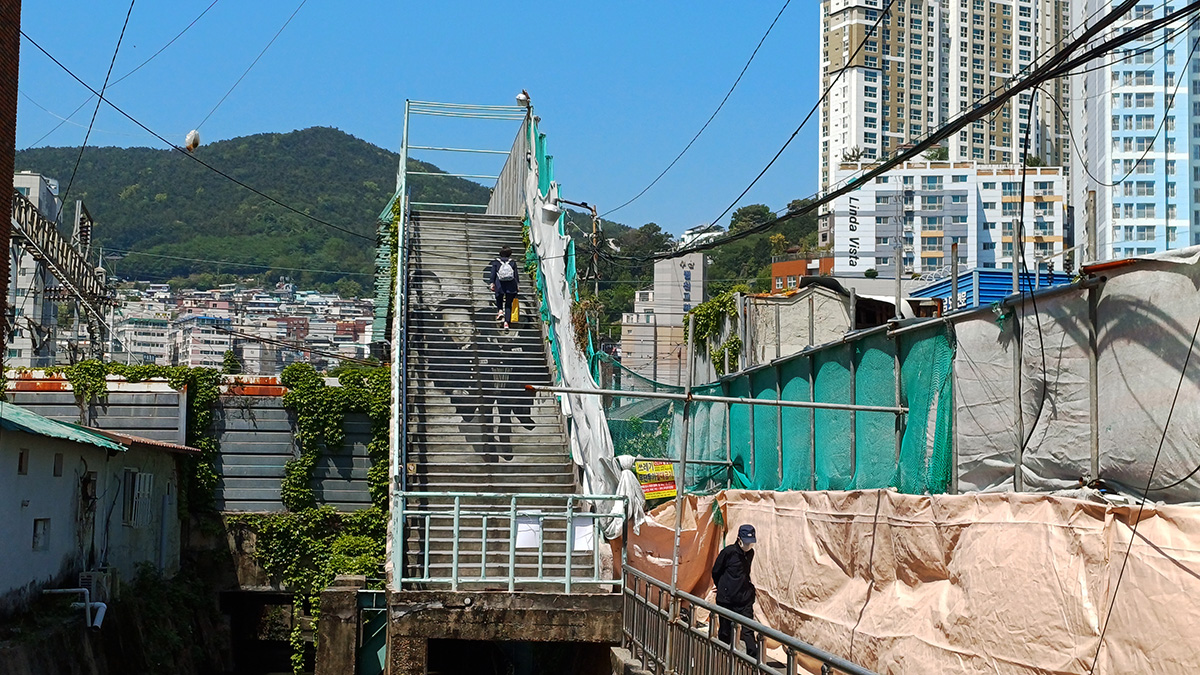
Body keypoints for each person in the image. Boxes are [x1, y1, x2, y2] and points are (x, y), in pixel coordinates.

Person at [711, 524, 759, 658]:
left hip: (744, 598)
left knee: (748, 630)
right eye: (746, 542)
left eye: (751, 543)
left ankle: (753, 661)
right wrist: (723, 587)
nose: (748, 546)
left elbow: (745, 573)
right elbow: (716, 571)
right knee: (725, 631)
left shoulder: (750, 553)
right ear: (739, 539)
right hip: (727, 599)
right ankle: (723, 657)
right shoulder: (728, 553)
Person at [487, 245, 519, 330]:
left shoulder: (496, 262)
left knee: (499, 298)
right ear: (510, 254)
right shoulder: (512, 262)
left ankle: (500, 311)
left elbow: (493, 274)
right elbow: (516, 275)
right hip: (511, 285)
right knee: (508, 304)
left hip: (499, 284)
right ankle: (506, 323)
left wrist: (492, 283)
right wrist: (517, 285)